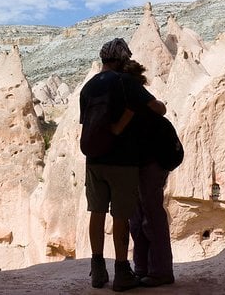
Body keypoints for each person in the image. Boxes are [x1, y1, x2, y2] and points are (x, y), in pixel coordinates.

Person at [79, 38, 166, 291]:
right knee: (121, 216)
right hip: (122, 161)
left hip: (94, 160)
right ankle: (121, 271)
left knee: (96, 213)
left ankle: (97, 270)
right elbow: (157, 109)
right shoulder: (126, 83)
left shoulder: (88, 88)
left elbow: (87, 124)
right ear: (121, 59)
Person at [125, 62, 175, 287]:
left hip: (150, 163)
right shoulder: (135, 99)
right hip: (137, 164)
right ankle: (143, 268)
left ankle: (161, 271)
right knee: (138, 218)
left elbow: (160, 109)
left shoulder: (140, 98)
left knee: (150, 216)